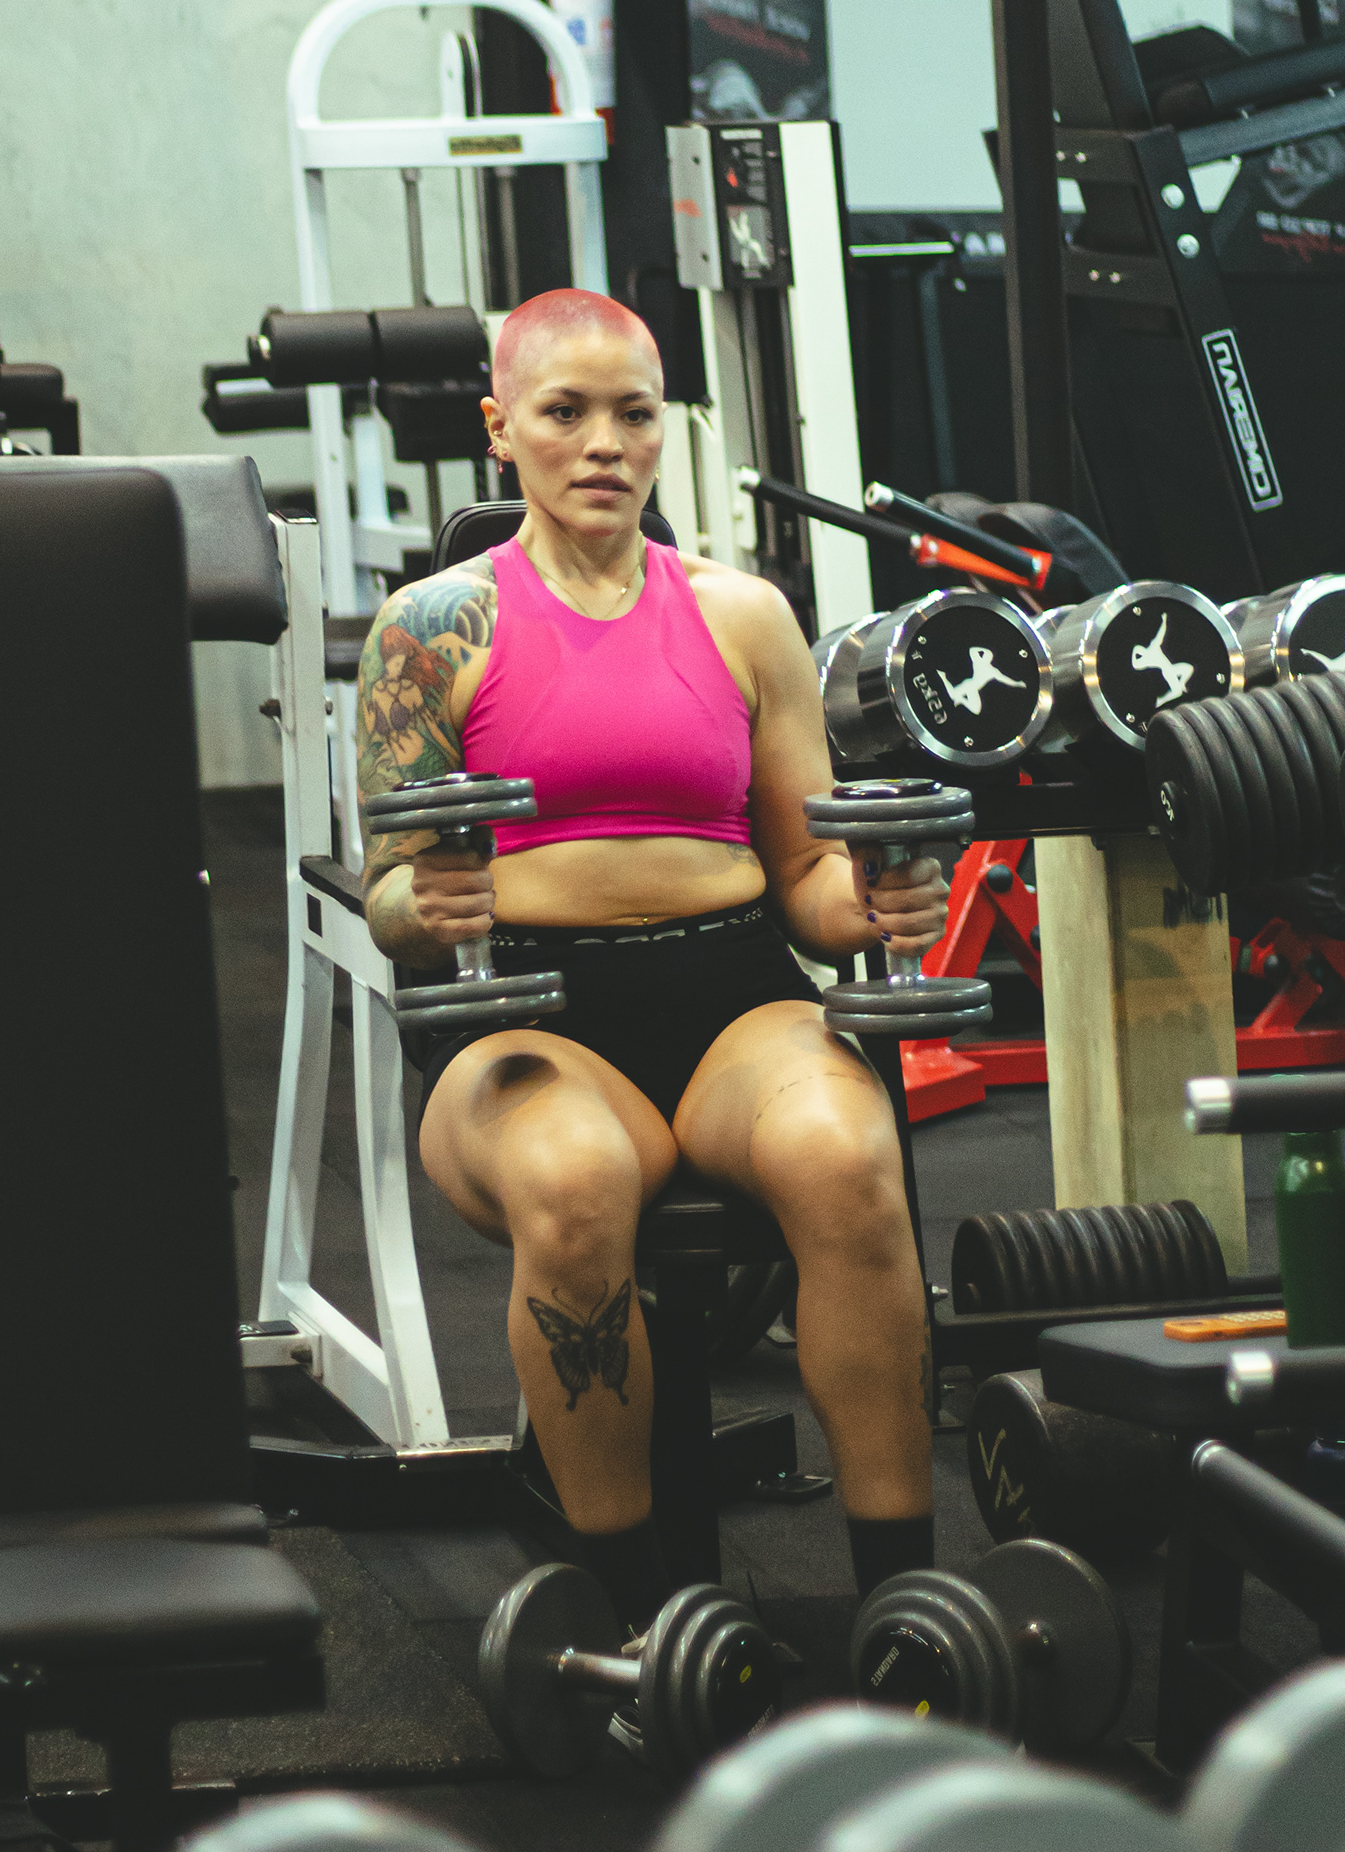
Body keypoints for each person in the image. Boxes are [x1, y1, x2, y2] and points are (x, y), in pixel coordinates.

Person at [356, 286, 945, 1637]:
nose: (603, 444)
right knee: (574, 1179)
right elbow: (388, 891)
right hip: (527, 1013)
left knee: (849, 1157)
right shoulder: (433, 629)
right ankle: (636, 1632)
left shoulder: (745, 617)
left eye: (633, 415)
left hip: (733, 995)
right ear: (501, 428)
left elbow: (805, 877)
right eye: (565, 413)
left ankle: (905, 1605)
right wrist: (425, 901)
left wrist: (874, 907)